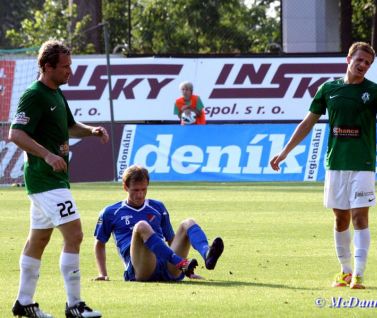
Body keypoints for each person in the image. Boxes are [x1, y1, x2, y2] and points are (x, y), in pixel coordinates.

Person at [269, 42, 377, 290]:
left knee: (360, 216)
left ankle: (359, 273)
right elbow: (307, 122)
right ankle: (345, 271)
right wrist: (285, 152)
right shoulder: (328, 89)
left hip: (363, 163)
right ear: (348, 59)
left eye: (367, 63)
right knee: (340, 219)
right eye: (359, 60)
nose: (363, 66)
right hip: (336, 162)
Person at [8, 40, 108, 318]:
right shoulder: (34, 95)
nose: (70, 72)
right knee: (74, 234)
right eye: (65, 67)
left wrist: (93, 131)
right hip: (45, 180)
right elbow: (15, 134)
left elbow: (71, 127)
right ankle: (74, 305)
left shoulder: (56, 94)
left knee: (38, 240)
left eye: (70, 65)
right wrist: (48, 156)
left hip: (53, 181)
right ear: (46, 66)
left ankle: (24, 302)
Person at [93, 164, 224, 282]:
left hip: (167, 263)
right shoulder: (111, 212)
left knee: (188, 223)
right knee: (142, 225)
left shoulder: (158, 207)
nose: (140, 195)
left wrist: (188, 272)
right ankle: (181, 263)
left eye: (143, 190)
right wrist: (102, 274)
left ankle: (207, 254)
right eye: (135, 190)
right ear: (125, 187)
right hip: (141, 268)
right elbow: (99, 244)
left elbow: (171, 240)